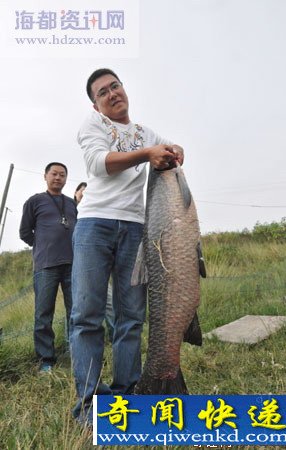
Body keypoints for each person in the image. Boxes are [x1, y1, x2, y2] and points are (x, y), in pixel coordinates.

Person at [70, 68, 184, 425]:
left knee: (131, 316)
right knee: (87, 316)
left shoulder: (146, 133)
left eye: (115, 86)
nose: (112, 93)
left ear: (124, 89)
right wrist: (148, 153)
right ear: (96, 103)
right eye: (103, 92)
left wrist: (174, 151)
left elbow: (167, 153)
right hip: (94, 225)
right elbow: (99, 165)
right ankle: (90, 403)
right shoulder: (92, 126)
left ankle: (127, 393)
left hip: (137, 229)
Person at [19, 162, 77, 372]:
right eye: (54, 174)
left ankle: (75, 354)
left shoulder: (71, 203)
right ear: (45, 176)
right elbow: (25, 232)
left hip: (72, 264)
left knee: (75, 312)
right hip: (45, 265)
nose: (58, 178)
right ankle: (46, 360)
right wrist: (42, 245)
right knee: (43, 313)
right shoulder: (34, 201)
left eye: (62, 175)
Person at [74, 181, 114, 341]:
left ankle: (114, 337)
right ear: (75, 193)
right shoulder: (70, 212)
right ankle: (73, 343)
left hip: (97, 267)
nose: (84, 193)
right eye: (81, 190)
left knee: (110, 304)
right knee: (79, 309)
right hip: (72, 267)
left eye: (87, 191)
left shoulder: (99, 213)